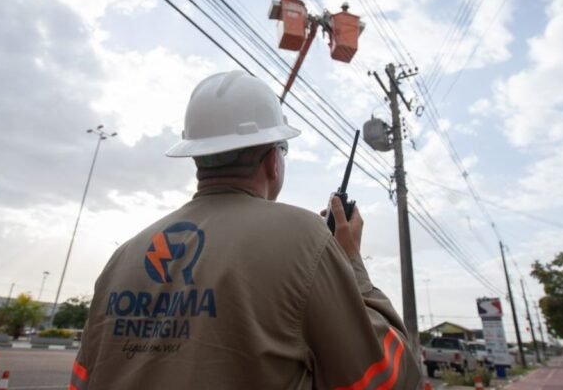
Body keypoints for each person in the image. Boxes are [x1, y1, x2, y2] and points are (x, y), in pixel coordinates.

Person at [70, 70, 421, 389]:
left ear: (197, 157)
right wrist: (350, 262)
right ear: (272, 161)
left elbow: (81, 381)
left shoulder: (123, 257)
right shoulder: (304, 238)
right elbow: (387, 380)